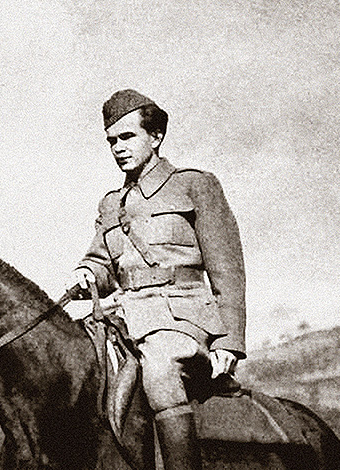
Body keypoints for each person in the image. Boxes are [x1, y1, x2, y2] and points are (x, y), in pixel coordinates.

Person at [68, 89, 246, 470]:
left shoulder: (194, 185)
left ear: (156, 136)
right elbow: (101, 263)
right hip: (124, 316)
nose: (118, 148)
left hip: (182, 320)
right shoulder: (111, 204)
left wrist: (229, 342)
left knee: (160, 368)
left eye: (127, 137)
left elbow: (227, 270)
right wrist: (87, 273)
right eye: (111, 141)